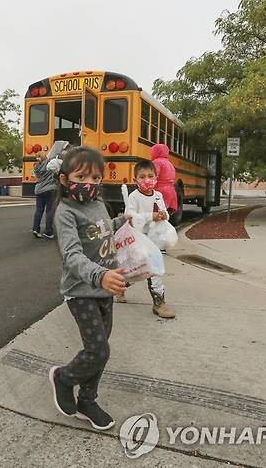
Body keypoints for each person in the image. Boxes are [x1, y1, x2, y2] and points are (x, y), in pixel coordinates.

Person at [48, 146, 130, 431]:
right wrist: (101, 276)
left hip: (104, 291)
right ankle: (63, 378)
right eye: (82, 176)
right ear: (64, 179)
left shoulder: (97, 204)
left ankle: (87, 400)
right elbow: (72, 256)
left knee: (101, 349)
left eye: (96, 178)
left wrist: (122, 222)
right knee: (97, 350)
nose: (90, 184)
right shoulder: (66, 212)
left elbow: (103, 229)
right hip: (82, 291)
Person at [118, 159, 175, 318]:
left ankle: (158, 303)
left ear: (156, 178)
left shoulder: (159, 195)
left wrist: (164, 215)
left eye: (150, 176)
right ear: (135, 180)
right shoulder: (134, 197)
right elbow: (130, 217)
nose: (147, 180)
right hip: (138, 239)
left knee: (150, 270)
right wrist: (151, 216)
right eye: (142, 177)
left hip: (154, 240)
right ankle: (157, 302)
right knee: (141, 269)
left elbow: (164, 213)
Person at [31, 141, 68, 239]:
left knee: (39, 210)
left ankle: (35, 228)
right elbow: (57, 159)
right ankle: (48, 231)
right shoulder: (50, 163)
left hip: (39, 190)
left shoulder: (36, 167)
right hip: (50, 190)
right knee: (49, 211)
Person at [150, 143, 177, 215]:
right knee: (164, 215)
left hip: (160, 191)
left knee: (156, 215)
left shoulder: (157, 162)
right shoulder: (170, 164)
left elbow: (153, 176)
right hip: (171, 192)